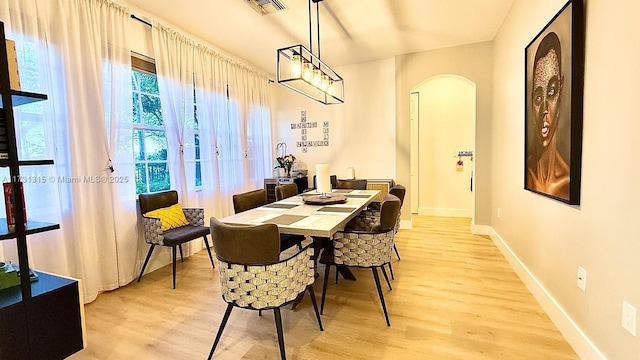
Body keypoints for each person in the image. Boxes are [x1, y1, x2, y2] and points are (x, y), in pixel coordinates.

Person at [527, 31, 569, 199]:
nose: (544, 108)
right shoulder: (527, 169)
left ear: (562, 88)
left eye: (551, 91)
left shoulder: (566, 181)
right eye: (538, 97)